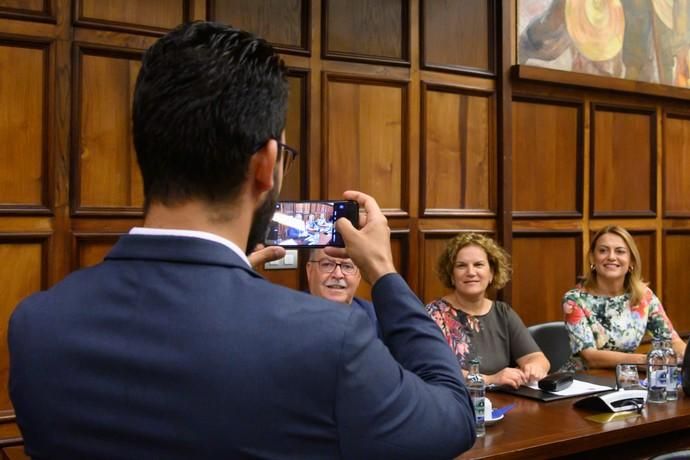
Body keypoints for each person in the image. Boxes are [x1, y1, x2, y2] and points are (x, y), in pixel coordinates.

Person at [8, 21, 476, 459]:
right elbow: (453, 417)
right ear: (266, 165)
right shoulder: (327, 338)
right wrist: (384, 273)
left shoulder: (36, 325)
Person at [426, 232, 550, 389]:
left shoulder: (502, 313)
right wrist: (490, 379)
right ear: (451, 275)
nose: (471, 272)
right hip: (452, 402)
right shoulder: (434, 314)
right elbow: (435, 370)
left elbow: (537, 358)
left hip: (501, 407)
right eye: (461, 265)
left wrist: (534, 367)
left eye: (478, 265)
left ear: (491, 273)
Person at [562, 225, 686, 369]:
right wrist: (646, 360)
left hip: (626, 378)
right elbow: (591, 357)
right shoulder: (574, 300)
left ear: (631, 261)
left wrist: (685, 356)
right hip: (583, 382)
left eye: (620, 251)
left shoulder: (644, 296)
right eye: (603, 251)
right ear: (592, 258)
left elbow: (672, 340)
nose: (611, 257)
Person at [306, 248, 382, 338]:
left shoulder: (377, 318)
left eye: (347, 266)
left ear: (359, 275)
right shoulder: (289, 316)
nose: (338, 275)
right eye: (327, 264)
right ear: (309, 270)